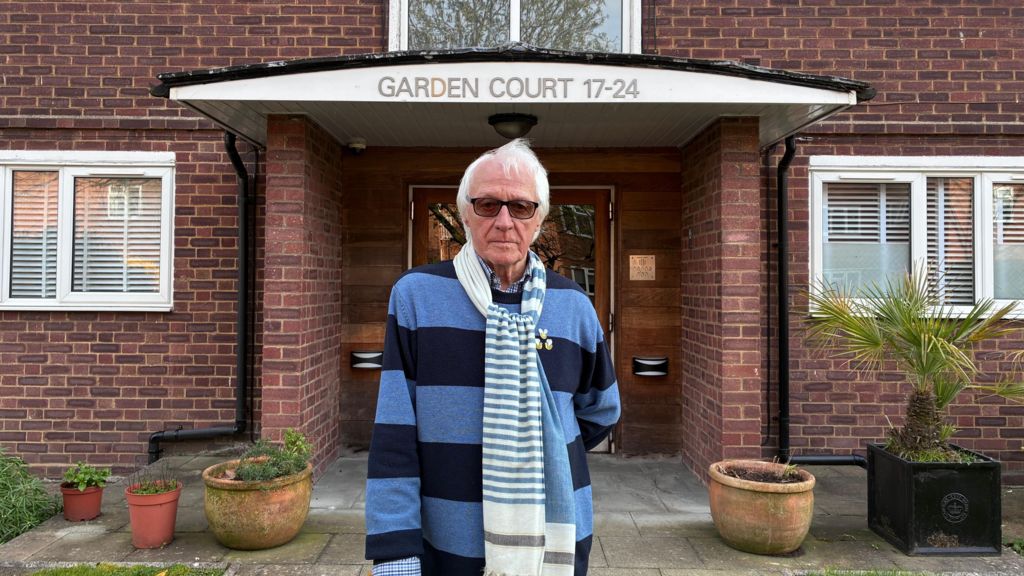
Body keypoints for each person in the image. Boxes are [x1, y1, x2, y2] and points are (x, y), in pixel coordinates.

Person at [364, 139, 620, 576]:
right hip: (446, 537)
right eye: (487, 205)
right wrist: (395, 547)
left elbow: (600, 411)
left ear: (539, 219)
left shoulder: (574, 305)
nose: (504, 221)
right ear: (465, 212)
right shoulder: (417, 297)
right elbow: (394, 431)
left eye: (520, 207)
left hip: (554, 536)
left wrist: (536, 452)